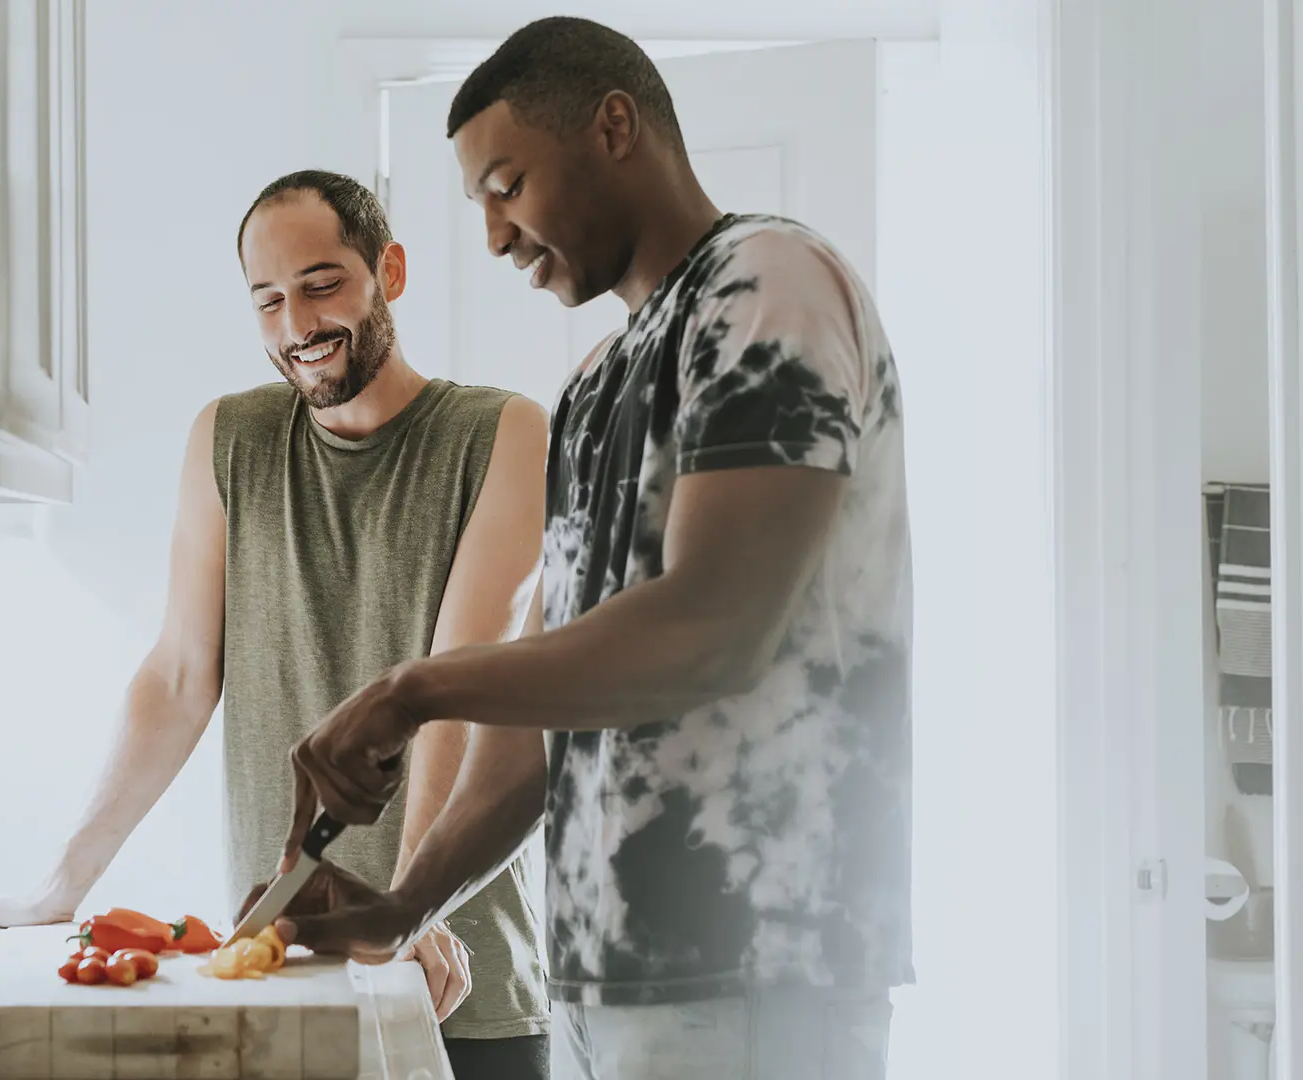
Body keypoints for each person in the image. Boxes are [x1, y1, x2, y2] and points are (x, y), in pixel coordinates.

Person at [242, 18, 915, 1080]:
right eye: (479, 205)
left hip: (762, 973)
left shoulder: (765, 283)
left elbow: (713, 630)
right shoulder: (599, 383)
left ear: (613, 127)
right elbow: (539, 719)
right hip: (607, 982)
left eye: (507, 183)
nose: (498, 235)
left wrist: (414, 690)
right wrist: (408, 903)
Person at [0, 169, 555, 1078]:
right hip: (286, 978)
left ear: (387, 270)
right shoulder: (228, 440)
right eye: (268, 300)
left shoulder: (503, 433)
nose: (297, 326)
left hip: (456, 982)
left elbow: (458, 687)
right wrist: (63, 882)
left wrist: (407, 911)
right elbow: (181, 675)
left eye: (322, 285)